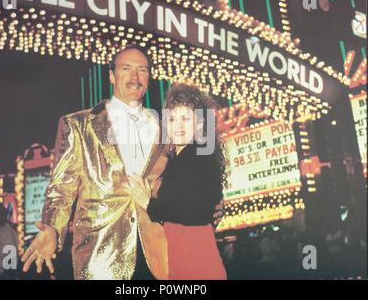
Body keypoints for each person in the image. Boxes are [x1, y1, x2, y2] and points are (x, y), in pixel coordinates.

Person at [21, 45, 224, 280]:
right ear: (111, 75)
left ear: (149, 78)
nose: (135, 77)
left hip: (160, 253)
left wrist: (214, 199)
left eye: (142, 70)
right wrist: (52, 226)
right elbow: (61, 187)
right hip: (101, 255)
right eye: (126, 68)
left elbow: (189, 173)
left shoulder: (167, 127)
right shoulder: (77, 125)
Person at [124, 84, 227, 279]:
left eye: (186, 119)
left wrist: (148, 203)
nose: (178, 126)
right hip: (180, 255)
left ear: (199, 123)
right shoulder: (178, 160)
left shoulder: (199, 155)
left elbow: (195, 211)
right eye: (172, 119)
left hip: (196, 258)